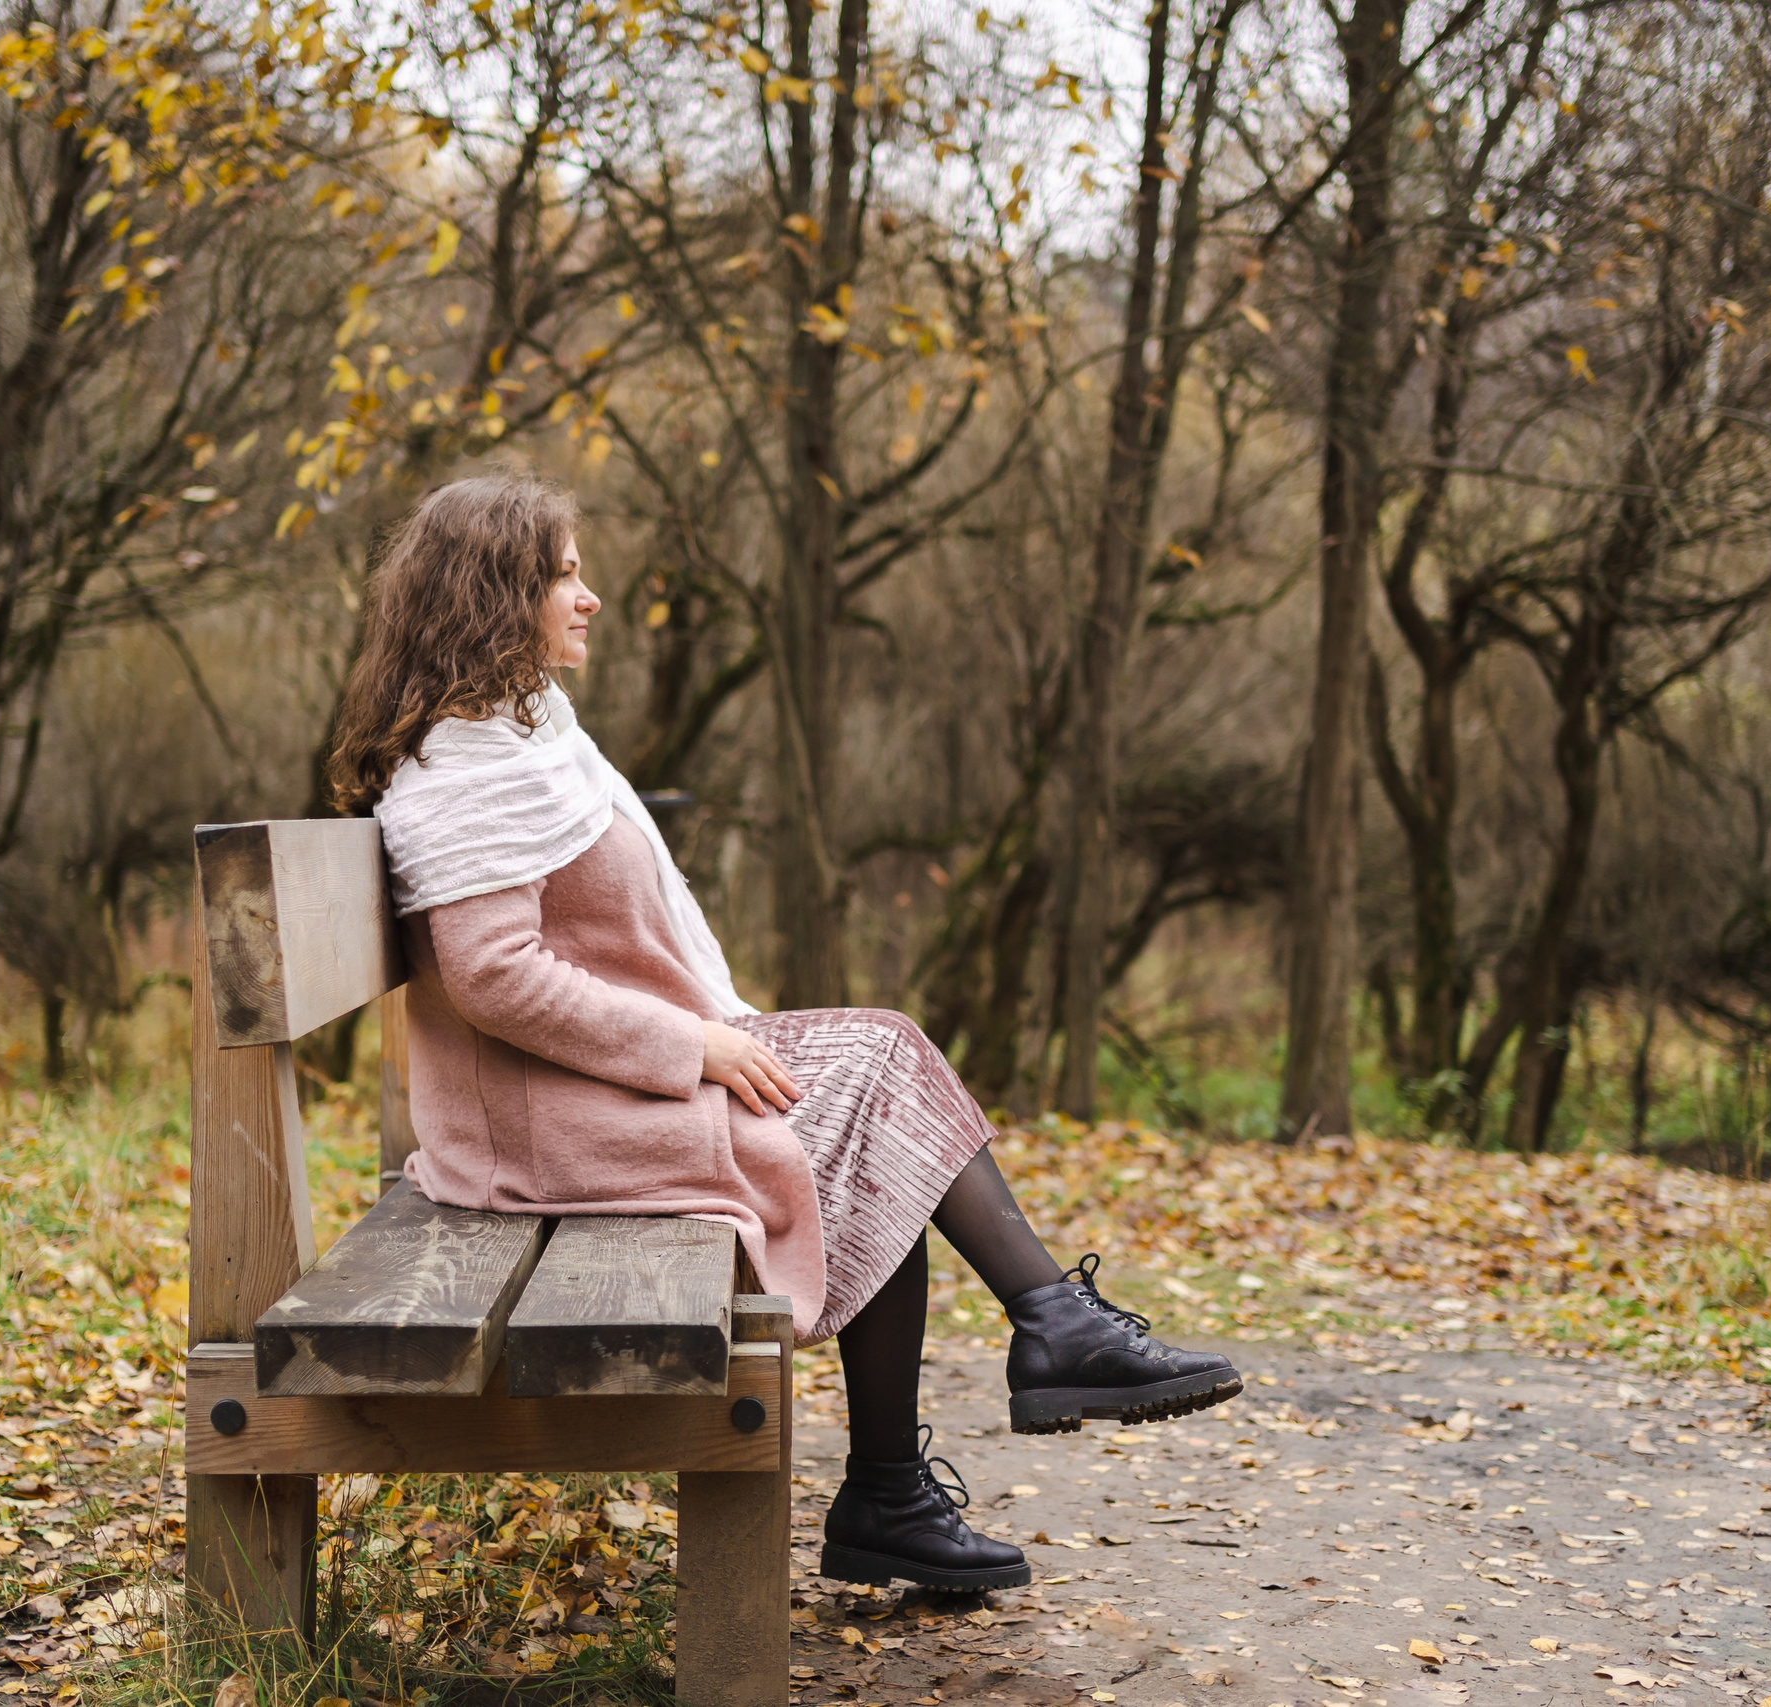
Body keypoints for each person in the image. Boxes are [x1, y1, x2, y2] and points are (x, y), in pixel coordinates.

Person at [325, 472, 1241, 1594]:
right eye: (563, 573)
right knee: (866, 1104)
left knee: (878, 1069)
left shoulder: (520, 741)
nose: (590, 596)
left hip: (584, 1091)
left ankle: (983, 1396)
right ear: (490, 594)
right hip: (538, 1132)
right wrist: (693, 1046)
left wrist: (701, 1029)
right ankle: (951, 1431)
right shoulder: (463, 770)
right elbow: (496, 978)